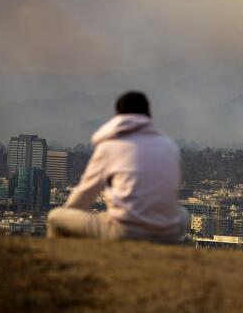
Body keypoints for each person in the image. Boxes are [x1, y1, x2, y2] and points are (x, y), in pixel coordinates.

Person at [46, 91, 187, 242]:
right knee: (184, 214)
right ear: (148, 115)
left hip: (124, 231)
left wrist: (69, 214)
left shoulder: (110, 146)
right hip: (168, 231)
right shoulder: (169, 147)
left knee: (55, 217)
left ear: (117, 116)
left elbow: (85, 195)